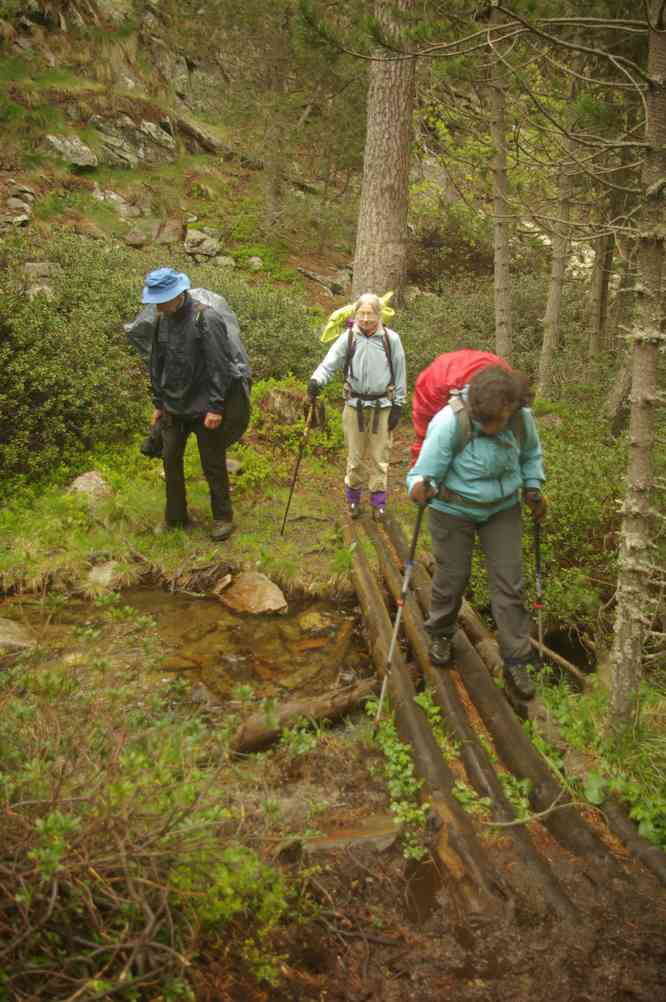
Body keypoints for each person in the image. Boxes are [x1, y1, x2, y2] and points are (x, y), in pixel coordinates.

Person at [407, 365, 546, 700]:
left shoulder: (519, 418)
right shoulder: (450, 422)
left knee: (509, 583)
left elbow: (530, 456)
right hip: (452, 509)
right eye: (488, 422)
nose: (494, 427)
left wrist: (533, 486)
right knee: (453, 577)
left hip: (502, 508)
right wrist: (419, 489)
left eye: (499, 419)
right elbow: (421, 473)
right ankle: (440, 632)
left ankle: (515, 659)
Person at [142, 267, 241, 541]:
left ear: (177, 294)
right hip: (173, 407)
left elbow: (220, 366)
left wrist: (216, 407)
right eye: (156, 300)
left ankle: (223, 518)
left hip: (205, 408)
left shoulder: (206, 318)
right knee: (170, 459)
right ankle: (175, 518)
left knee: (213, 463)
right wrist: (159, 403)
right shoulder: (162, 321)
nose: (157, 305)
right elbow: (156, 364)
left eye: (161, 299)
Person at [308, 293, 407, 520]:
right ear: (356, 314)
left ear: (379, 315)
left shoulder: (391, 340)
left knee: (380, 456)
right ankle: (353, 499)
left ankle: (378, 502)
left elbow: (400, 374)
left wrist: (398, 405)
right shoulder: (348, 338)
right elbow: (329, 363)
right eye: (361, 314)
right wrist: (316, 380)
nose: (365, 319)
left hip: (382, 406)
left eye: (370, 314)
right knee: (355, 455)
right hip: (354, 406)